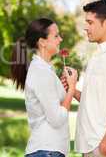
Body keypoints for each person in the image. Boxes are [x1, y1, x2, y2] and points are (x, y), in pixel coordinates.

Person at [61, 0, 106, 157]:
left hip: (105, 148)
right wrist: (72, 90)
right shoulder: (96, 57)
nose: (85, 27)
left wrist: (105, 145)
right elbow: (94, 101)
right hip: (91, 146)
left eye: (90, 22)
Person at [11, 18, 77, 157]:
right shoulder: (41, 72)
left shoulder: (45, 70)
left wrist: (63, 89)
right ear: (42, 42)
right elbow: (57, 119)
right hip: (47, 150)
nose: (60, 39)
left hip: (48, 150)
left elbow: (52, 106)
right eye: (56, 35)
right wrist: (71, 88)